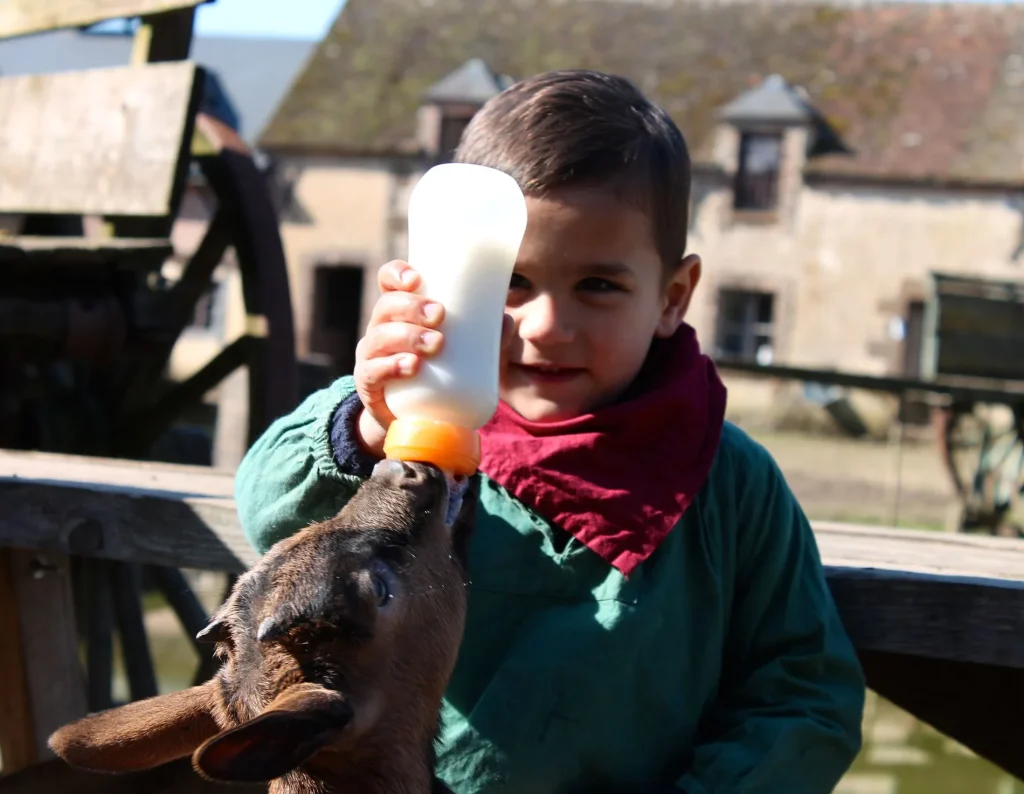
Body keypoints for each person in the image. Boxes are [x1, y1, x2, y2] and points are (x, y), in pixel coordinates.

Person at [234, 69, 866, 794]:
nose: (547, 327)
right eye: (511, 284)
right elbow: (269, 509)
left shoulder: (730, 480)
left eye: (598, 286)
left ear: (672, 296)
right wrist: (369, 423)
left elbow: (805, 695)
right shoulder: (409, 437)